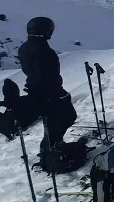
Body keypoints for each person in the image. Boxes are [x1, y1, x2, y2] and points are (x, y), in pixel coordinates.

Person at [18, 16, 80, 173]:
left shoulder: (25, 47)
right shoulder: (43, 50)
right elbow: (45, 74)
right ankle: (51, 149)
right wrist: (56, 92)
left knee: (56, 118)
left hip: (36, 89)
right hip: (48, 90)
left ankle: (52, 146)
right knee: (66, 116)